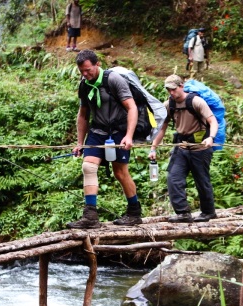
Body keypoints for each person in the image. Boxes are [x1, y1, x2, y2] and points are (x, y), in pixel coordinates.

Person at [67, 50, 142, 229]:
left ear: (97, 64)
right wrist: (80, 142)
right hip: (97, 131)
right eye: (81, 72)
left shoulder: (114, 80)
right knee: (88, 166)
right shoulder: (84, 84)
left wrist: (129, 136)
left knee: (120, 173)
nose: (85, 74)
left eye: (88, 70)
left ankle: (134, 212)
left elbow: (131, 108)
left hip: (118, 131)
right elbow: (83, 114)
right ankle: (90, 216)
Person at [148, 74, 218, 223]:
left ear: (181, 86)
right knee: (173, 178)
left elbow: (213, 121)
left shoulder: (196, 102)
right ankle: (183, 213)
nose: (171, 93)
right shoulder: (169, 105)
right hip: (181, 147)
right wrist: (153, 148)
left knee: (202, 180)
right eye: (168, 90)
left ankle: (208, 212)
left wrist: (210, 137)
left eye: (173, 89)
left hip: (200, 147)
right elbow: (162, 128)